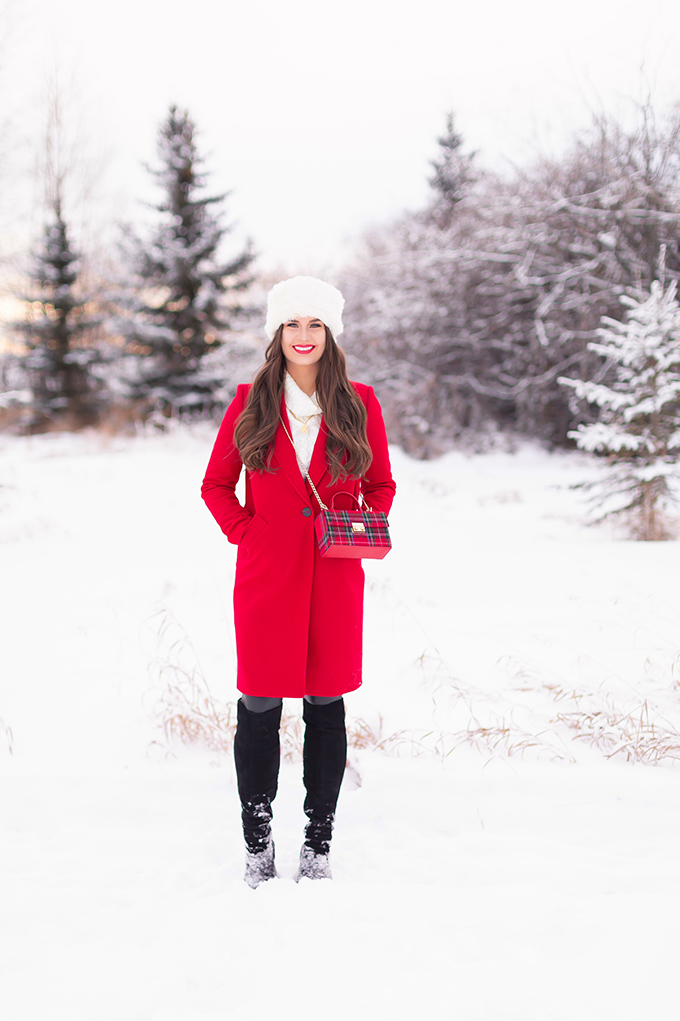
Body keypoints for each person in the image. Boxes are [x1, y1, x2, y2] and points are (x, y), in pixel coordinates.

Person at [201, 276, 396, 887]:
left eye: (315, 324)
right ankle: (258, 842)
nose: (304, 336)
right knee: (259, 707)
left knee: (326, 706)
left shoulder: (358, 402)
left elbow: (381, 485)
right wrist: (248, 534)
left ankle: (318, 842)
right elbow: (215, 485)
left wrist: (361, 524)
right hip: (267, 579)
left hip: (335, 581)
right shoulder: (250, 402)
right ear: (277, 332)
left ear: (331, 332)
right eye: (293, 324)